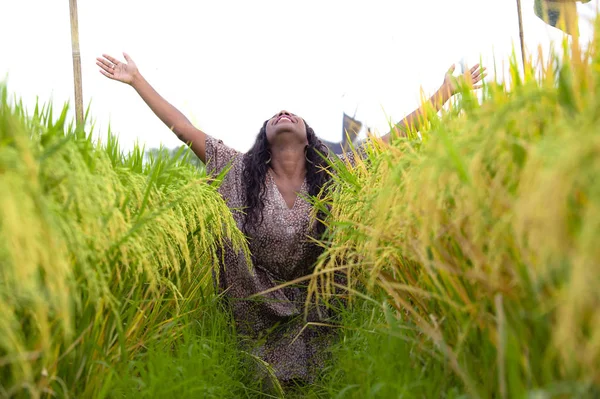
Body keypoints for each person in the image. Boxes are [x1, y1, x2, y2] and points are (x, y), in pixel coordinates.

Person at [96, 53, 485, 389]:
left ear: (307, 138)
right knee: (256, 378)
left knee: (321, 374)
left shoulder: (335, 174)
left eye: (293, 115)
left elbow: (391, 139)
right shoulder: (236, 170)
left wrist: (446, 92)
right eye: (275, 116)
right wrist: (137, 81)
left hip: (316, 312)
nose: (284, 113)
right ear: (265, 137)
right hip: (254, 309)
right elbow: (183, 129)